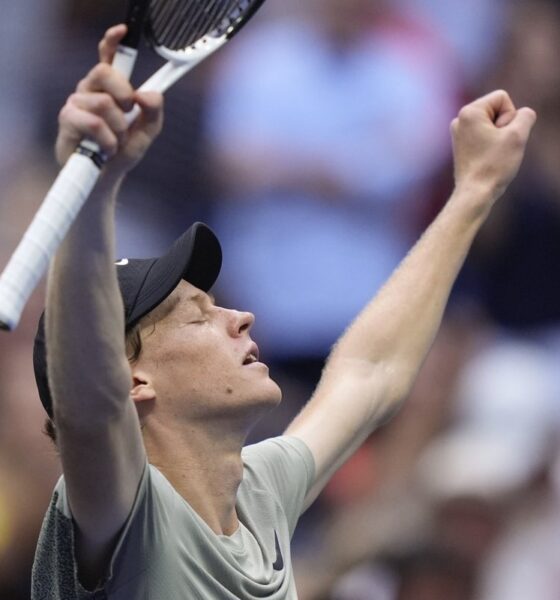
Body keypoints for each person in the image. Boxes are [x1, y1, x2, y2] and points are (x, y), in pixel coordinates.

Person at [29, 24, 536, 599]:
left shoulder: (258, 491)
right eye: (198, 316)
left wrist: (474, 190)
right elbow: (88, 403)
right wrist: (93, 185)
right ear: (134, 380)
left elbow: (369, 372)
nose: (239, 318)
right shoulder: (121, 509)